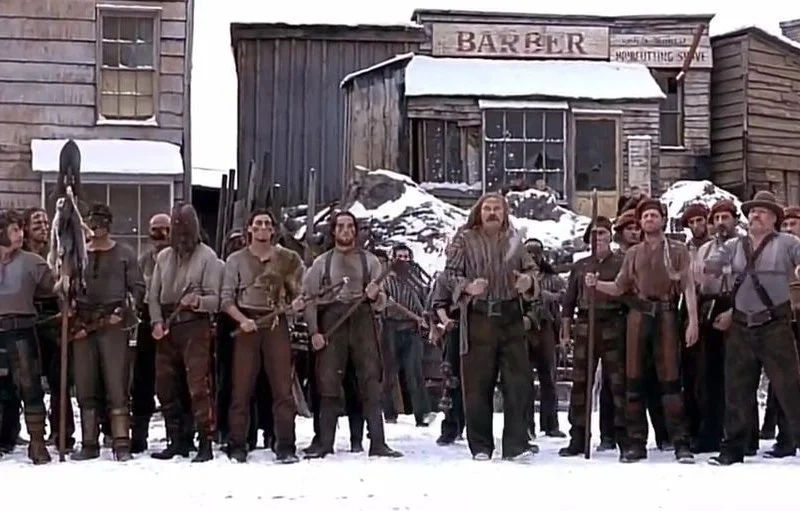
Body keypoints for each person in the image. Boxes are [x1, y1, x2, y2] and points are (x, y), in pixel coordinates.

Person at [586, 198, 697, 463]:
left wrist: (693, 321)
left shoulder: (677, 250)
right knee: (633, 378)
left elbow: (688, 286)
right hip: (638, 315)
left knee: (670, 379)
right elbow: (619, 287)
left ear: (662, 220)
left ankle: (680, 441)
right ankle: (635, 442)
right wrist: (596, 284)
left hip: (667, 314)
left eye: (653, 215)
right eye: (645, 216)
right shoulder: (633, 254)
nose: (649, 219)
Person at [703, 191, 800, 465]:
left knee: (790, 388)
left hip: (775, 325)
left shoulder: (788, 243)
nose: (756, 215)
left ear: (774, 219)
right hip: (741, 325)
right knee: (736, 391)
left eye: (762, 211)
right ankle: (732, 449)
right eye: (753, 211)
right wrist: (714, 262)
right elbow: (710, 268)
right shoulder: (733, 245)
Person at [444, 192, 539, 462]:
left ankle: (516, 445)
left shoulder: (514, 239)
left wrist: (528, 282)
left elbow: (533, 271)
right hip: (479, 317)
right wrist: (467, 287)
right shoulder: (464, 240)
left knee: (518, 383)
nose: (492, 212)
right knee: (477, 385)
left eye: (498, 208)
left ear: (505, 213)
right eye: (487, 208)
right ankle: (481, 446)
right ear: (479, 212)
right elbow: (449, 274)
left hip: (510, 316)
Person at [300, 211, 402, 459]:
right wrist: (314, 332)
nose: (346, 230)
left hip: (362, 323)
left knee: (370, 382)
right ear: (333, 231)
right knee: (328, 383)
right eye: (341, 226)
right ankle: (324, 443)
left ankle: (378, 443)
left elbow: (383, 303)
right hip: (332, 325)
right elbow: (309, 300)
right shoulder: (321, 263)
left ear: (355, 231)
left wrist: (375, 296)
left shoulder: (371, 262)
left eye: (350, 226)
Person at [220, 209, 304, 464]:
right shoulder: (235, 260)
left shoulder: (288, 259)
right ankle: (237, 444)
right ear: (250, 228)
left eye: (268, 223)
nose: (263, 227)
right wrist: (242, 320)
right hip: (248, 324)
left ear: (273, 229)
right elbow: (226, 300)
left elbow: (299, 294)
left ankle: (285, 445)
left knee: (282, 389)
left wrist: (296, 304)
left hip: (276, 323)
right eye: (258, 223)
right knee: (241, 388)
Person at [148, 203, 223, 463]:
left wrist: (198, 301)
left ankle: (205, 441)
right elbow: (153, 296)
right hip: (167, 328)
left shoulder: (208, 258)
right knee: (166, 386)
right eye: (177, 228)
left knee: (198, 386)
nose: (181, 234)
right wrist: (156, 322)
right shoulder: (163, 258)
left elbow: (217, 300)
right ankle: (177, 440)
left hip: (195, 326)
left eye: (185, 228)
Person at [69, 205, 144, 461]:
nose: (97, 227)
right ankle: (89, 443)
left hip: (113, 323)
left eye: (101, 222)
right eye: (93, 221)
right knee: (85, 384)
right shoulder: (77, 254)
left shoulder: (125, 254)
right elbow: (66, 288)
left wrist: (123, 312)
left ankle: (121, 442)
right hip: (83, 324)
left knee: (117, 384)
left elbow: (137, 288)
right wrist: (69, 309)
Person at [559, 217, 627, 456]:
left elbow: (627, 293)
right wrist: (565, 332)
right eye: (594, 234)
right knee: (580, 383)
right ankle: (578, 436)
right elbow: (568, 302)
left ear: (610, 236)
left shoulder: (621, 263)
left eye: (603, 233)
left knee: (618, 382)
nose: (598, 238)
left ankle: (623, 436)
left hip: (613, 323)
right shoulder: (580, 266)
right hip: (585, 324)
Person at [0, 209, 55, 464]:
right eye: (14, 230)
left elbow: (55, 289)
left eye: (21, 229)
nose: (20, 234)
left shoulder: (33, 262)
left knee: (30, 387)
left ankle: (37, 442)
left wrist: (64, 280)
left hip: (21, 328)